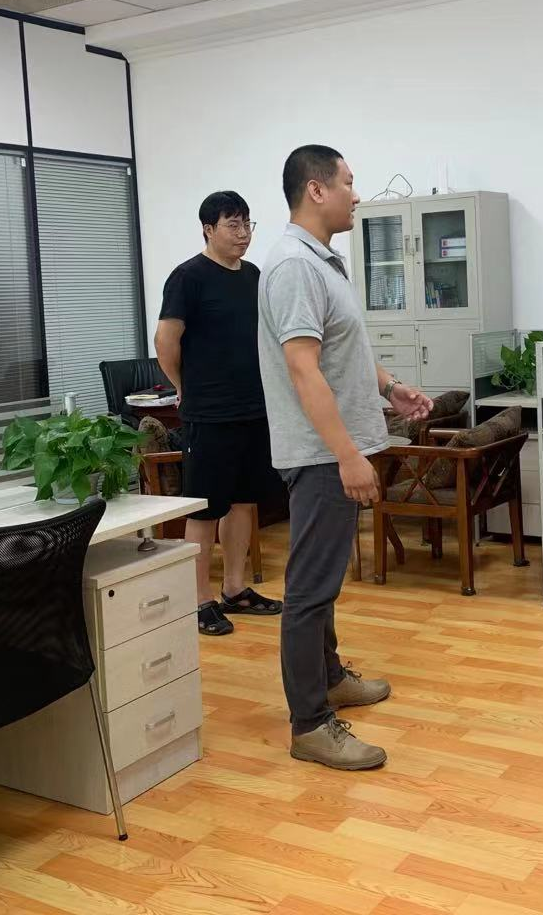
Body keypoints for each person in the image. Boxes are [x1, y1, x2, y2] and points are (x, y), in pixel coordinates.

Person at [257, 145, 432, 771]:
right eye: (349, 183)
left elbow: (339, 350)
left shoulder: (321, 263)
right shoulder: (293, 267)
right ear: (316, 190)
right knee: (308, 591)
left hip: (333, 449)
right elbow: (303, 370)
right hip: (320, 455)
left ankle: (330, 678)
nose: (357, 195)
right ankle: (310, 724)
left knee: (324, 581)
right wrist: (347, 455)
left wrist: (389, 387)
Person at [155, 190, 283, 637]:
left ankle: (234, 588)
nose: (243, 233)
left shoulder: (253, 276)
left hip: (253, 408)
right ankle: (199, 601)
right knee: (206, 508)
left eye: (247, 224)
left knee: (244, 501)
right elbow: (165, 342)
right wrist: (183, 387)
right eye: (233, 224)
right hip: (208, 414)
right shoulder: (187, 277)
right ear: (208, 229)